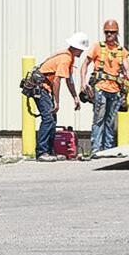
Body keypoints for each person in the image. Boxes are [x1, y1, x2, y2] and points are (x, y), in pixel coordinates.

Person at [81, 19, 129, 157]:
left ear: (116, 33)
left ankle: (108, 150)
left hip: (115, 91)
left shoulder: (121, 51)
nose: (109, 35)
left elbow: (127, 70)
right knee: (99, 119)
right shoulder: (97, 47)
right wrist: (83, 82)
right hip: (100, 88)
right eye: (107, 33)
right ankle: (96, 150)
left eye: (112, 33)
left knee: (110, 121)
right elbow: (85, 64)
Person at [34, 33, 88, 161]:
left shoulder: (68, 56)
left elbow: (69, 80)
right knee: (48, 119)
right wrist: (56, 102)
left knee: (52, 119)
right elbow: (57, 80)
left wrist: (75, 97)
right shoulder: (66, 59)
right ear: (76, 48)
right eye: (81, 49)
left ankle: (49, 151)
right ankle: (41, 152)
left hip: (44, 87)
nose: (82, 52)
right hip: (41, 88)